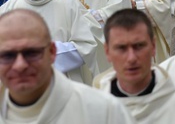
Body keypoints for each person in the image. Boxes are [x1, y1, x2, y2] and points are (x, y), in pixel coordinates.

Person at [0, 9, 135, 123]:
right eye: (7, 55)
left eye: (32, 53)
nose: (20, 65)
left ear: (52, 52)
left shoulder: (103, 110)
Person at [94, 9, 175, 123]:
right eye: (121, 48)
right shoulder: (92, 111)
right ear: (107, 51)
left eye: (139, 46)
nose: (131, 58)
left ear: (153, 47)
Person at [0, 0, 99, 84]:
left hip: (61, 82)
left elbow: (86, 45)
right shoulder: (10, 7)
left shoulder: (69, 4)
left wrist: (43, 55)